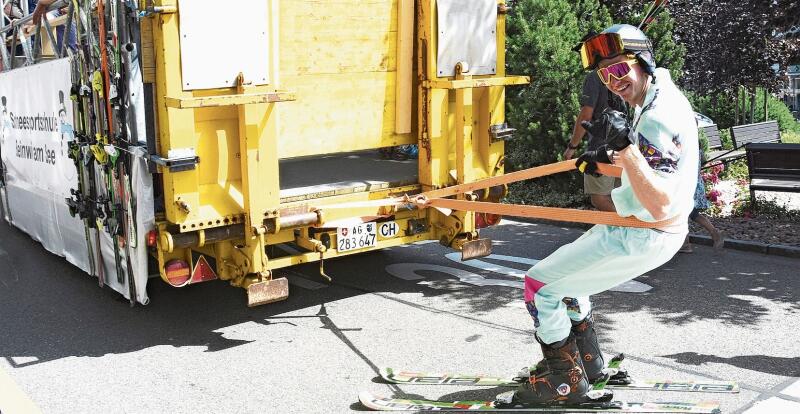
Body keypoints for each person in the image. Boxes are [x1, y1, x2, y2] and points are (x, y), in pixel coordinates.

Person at [509, 24, 699, 406]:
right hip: (645, 228)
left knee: (539, 287)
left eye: (619, 70)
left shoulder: (657, 117)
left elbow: (660, 200)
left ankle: (565, 381)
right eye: (603, 74)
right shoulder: (660, 93)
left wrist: (626, 149)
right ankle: (588, 364)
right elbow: (655, 166)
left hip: (645, 231)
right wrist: (610, 156)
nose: (613, 81)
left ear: (643, 61)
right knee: (569, 284)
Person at [564, 44, 627, 212]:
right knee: (619, 196)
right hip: (623, 146)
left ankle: (630, 230)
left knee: (599, 198)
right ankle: (625, 233)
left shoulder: (594, 77)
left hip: (601, 148)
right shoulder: (620, 73)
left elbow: (586, 114)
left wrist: (572, 146)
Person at [680, 153, 724, 253]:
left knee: (683, 213)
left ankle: (685, 244)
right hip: (697, 183)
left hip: (686, 183)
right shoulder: (697, 148)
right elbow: (703, 161)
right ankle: (715, 233)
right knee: (693, 214)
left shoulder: (683, 144)